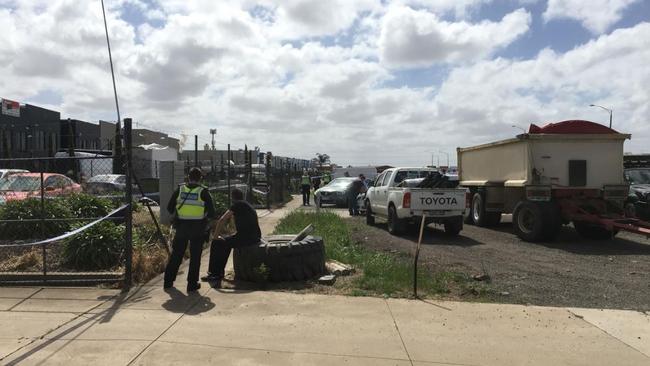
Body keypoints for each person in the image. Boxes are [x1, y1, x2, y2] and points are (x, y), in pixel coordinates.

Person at [164, 167, 216, 292]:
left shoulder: (180, 189)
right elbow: (212, 213)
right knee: (195, 256)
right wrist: (204, 219)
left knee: (176, 254)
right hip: (198, 228)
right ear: (200, 178)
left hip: (181, 227)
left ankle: (168, 282)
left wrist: (179, 212)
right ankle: (192, 284)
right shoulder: (203, 192)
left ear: (188, 177)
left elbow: (169, 208)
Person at [201, 188, 262, 283]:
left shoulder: (236, 205)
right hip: (254, 236)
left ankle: (214, 273)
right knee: (226, 242)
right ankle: (219, 272)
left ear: (232, 197)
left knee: (216, 243)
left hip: (246, 238)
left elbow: (222, 219)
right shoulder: (247, 205)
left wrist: (215, 236)